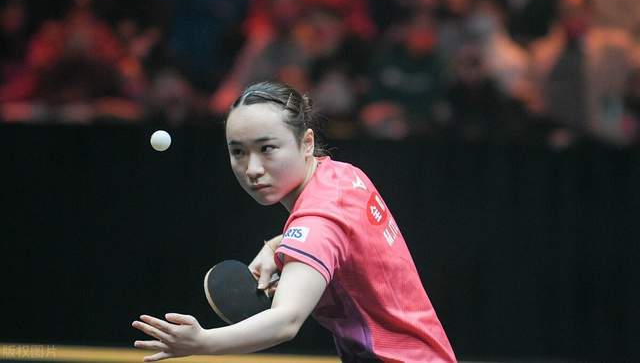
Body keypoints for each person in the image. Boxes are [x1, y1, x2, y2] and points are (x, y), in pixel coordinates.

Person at [132, 81, 456, 362]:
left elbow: (286, 320)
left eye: (267, 148)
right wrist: (278, 245)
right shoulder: (343, 177)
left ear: (307, 143)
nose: (252, 169)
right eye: (238, 152)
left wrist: (202, 343)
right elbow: (340, 233)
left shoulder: (319, 220)